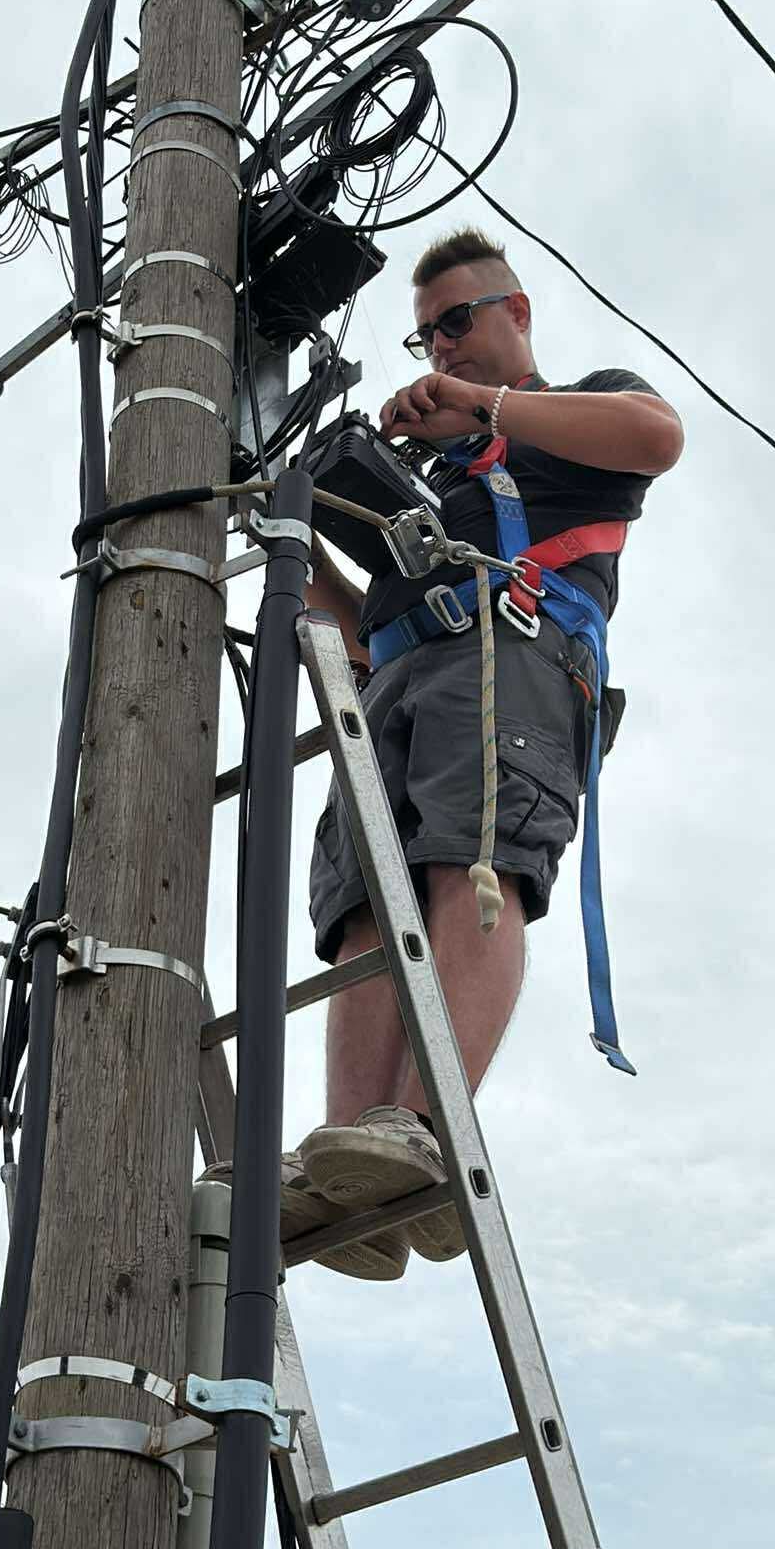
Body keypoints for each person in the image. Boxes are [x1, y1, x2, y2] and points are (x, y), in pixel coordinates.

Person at [286, 228, 684, 1281]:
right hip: (397, 679)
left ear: (517, 312)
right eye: (425, 335)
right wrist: (290, 535)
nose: (441, 345)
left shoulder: (576, 410)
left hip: (509, 663)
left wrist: (482, 406)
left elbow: (657, 436)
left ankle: (423, 1126)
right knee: (366, 899)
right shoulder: (436, 478)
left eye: (457, 320)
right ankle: (354, 1152)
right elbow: (366, 626)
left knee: (474, 859)